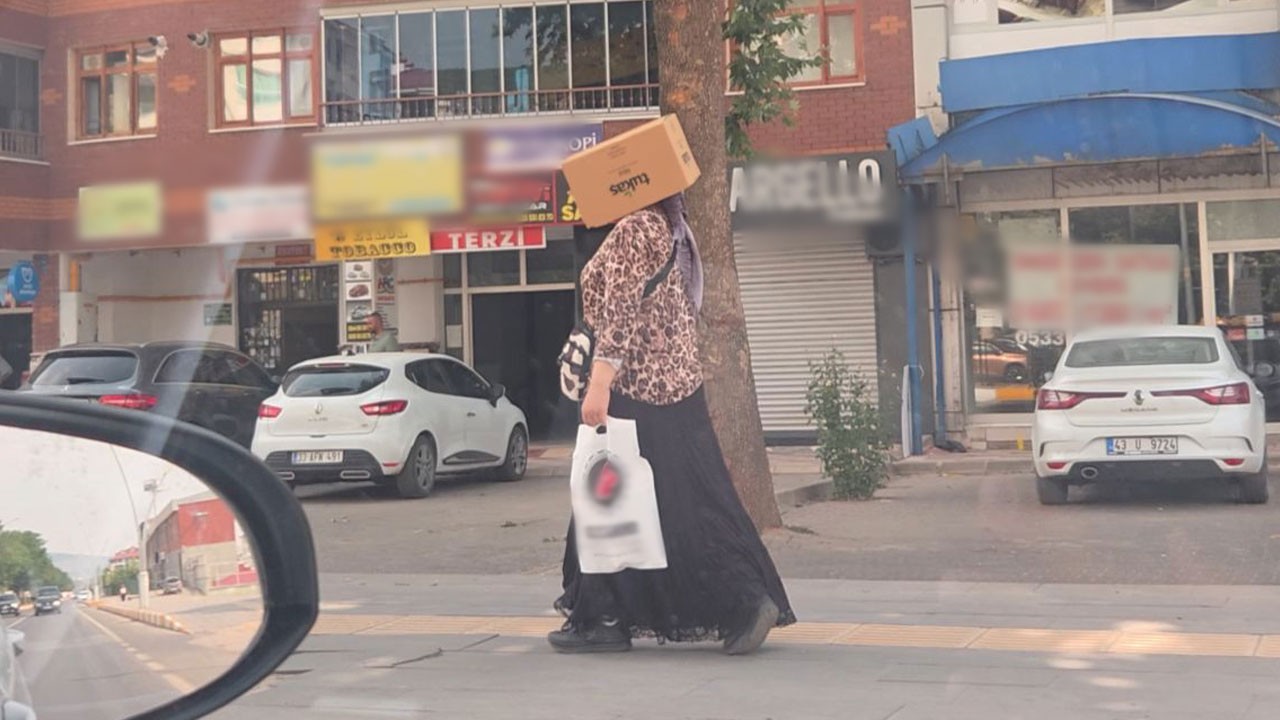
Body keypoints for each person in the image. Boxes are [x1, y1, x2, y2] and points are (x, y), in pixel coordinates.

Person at [549, 193, 796, 656]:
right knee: (692, 501)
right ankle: (744, 597)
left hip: (636, 389)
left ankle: (605, 617)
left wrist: (600, 381)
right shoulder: (673, 229)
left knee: (605, 497)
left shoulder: (633, 230)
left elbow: (619, 312)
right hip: (679, 385)